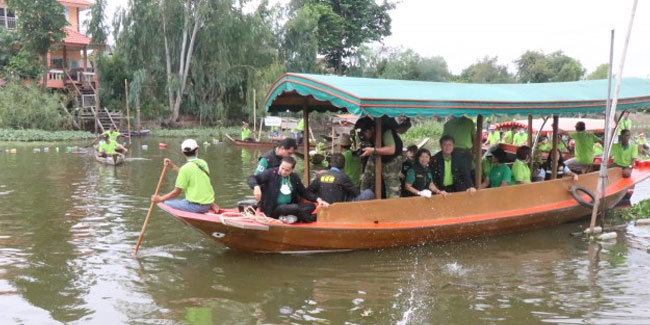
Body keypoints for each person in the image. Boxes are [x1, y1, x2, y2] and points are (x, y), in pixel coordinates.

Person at [248, 156, 329, 223]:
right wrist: (256, 186)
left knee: (311, 206)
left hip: (289, 206)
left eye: (287, 170)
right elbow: (251, 178)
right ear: (280, 165)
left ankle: (294, 217)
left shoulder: (294, 177)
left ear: (292, 170)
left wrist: (318, 199)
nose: (283, 172)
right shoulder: (270, 173)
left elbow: (303, 192)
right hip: (273, 208)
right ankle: (306, 218)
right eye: (282, 168)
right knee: (293, 208)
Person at [151, 139, 218, 213]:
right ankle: (211, 204)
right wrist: (172, 166)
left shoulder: (185, 169)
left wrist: (160, 199)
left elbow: (176, 192)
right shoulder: (203, 163)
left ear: (183, 152)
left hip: (197, 207)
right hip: (207, 204)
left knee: (165, 203)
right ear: (197, 150)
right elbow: (188, 174)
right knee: (181, 201)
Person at [356, 117, 404, 199]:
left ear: (371, 129)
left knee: (391, 181)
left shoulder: (385, 131)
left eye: (364, 132)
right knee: (366, 177)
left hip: (393, 157)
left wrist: (373, 150)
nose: (362, 135)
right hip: (376, 154)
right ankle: (363, 197)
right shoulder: (365, 136)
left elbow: (391, 149)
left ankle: (393, 204)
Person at [308, 153, 375, 203]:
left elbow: (309, 191)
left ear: (330, 164)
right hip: (343, 208)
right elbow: (356, 193)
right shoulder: (343, 177)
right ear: (343, 165)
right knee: (369, 192)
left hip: (324, 205)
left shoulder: (321, 176)